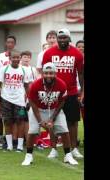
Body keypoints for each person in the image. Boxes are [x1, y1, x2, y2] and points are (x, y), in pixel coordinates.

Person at [21, 62, 78, 166]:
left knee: (64, 130)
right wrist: (40, 121)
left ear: (55, 73)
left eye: (51, 73)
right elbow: (32, 102)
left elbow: (62, 101)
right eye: (46, 73)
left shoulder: (61, 84)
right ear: (42, 73)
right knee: (32, 131)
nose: (48, 75)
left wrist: (52, 118)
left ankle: (68, 156)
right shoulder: (36, 84)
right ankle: (28, 156)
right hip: (37, 109)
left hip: (54, 109)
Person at [40, 28, 84, 159]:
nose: (62, 40)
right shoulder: (48, 53)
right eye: (60, 38)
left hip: (71, 92)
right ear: (57, 39)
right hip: (53, 92)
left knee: (73, 121)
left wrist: (82, 91)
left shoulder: (77, 54)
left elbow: (81, 74)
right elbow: (44, 73)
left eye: (65, 37)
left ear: (69, 39)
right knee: (51, 120)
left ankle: (74, 148)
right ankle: (53, 148)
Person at [0, 50, 29, 152]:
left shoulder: (23, 70)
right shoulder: (4, 69)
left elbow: (27, 86)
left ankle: (19, 145)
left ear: (20, 58)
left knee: (20, 121)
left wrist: (29, 99)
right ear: (10, 59)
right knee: (7, 121)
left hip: (19, 100)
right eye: (14, 57)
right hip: (6, 99)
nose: (16, 59)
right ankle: (9, 145)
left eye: (18, 57)